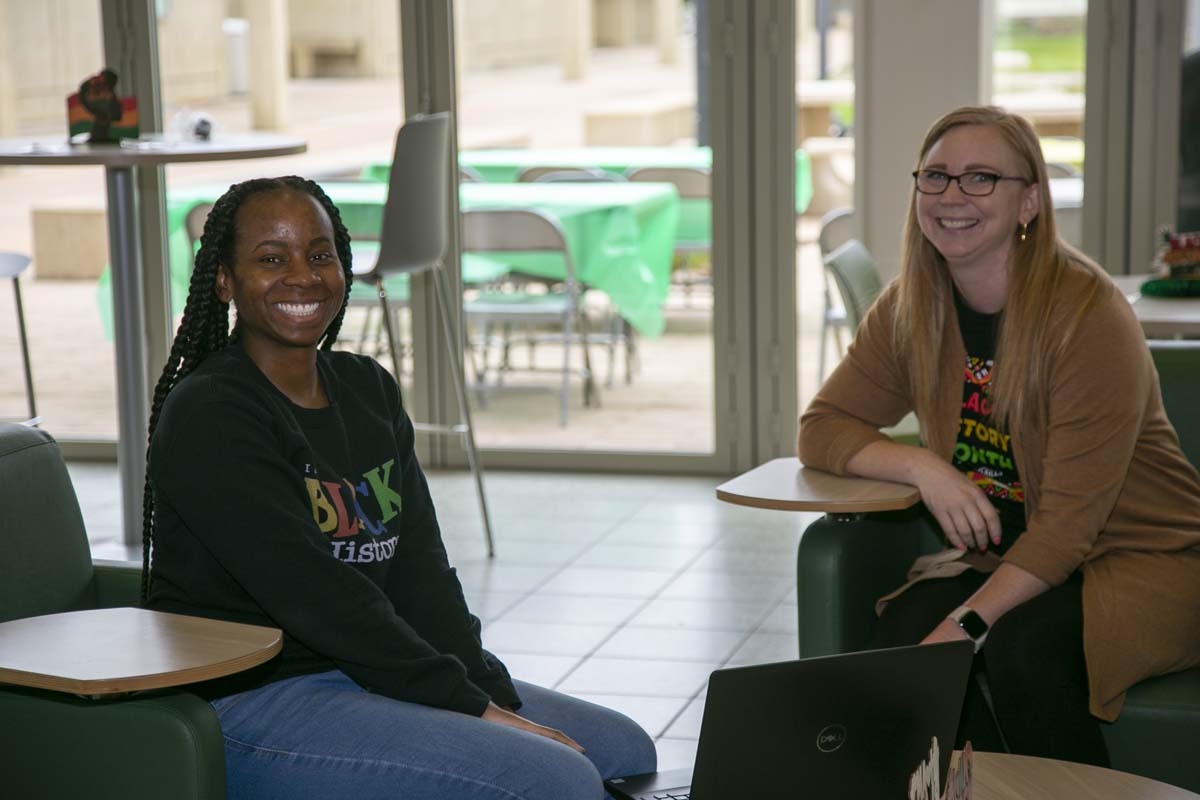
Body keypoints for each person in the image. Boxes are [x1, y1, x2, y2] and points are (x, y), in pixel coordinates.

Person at [141, 176, 656, 799]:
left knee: (624, 750)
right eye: (271, 259)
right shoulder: (213, 411)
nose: (302, 276)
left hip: (369, 672)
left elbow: (422, 572)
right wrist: (466, 708)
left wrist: (482, 684)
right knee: (556, 778)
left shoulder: (367, 388)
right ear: (224, 280)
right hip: (255, 702)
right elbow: (318, 597)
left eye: (320, 254)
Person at [798, 106, 1200, 766]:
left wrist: (966, 624)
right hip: (1016, 558)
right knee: (900, 638)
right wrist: (924, 467)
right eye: (937, 177)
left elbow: (1068, 527)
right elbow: (822, 427)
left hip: (1140, 559)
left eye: (982, 178)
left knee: (1019, 647)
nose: (953, 196)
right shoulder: (911, 307)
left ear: (1029, 202)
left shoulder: (1087, 315)